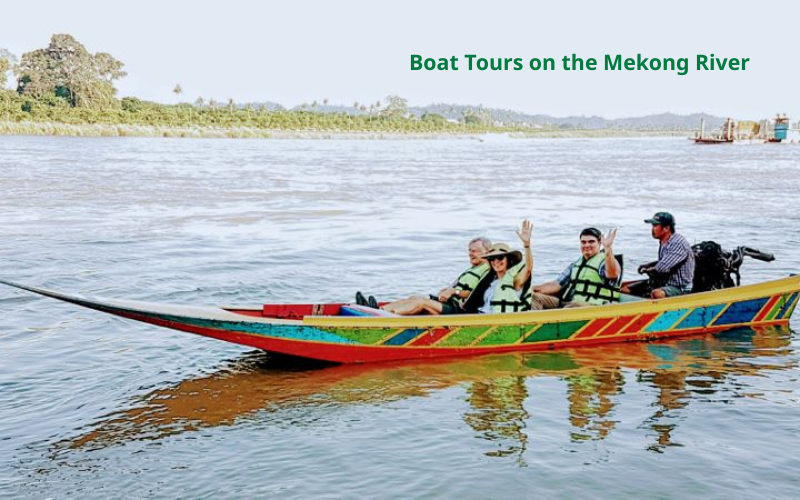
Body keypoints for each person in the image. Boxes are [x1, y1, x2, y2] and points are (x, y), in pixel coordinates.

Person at [379, 237, 493, 315]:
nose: (470, 254)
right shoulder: (475, 268)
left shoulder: (488, 271)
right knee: (415, 298)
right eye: (470, 250)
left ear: (487, 252)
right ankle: (379, 310)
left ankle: (388, 318)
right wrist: (446, 291)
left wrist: (454, 292)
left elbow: (476, 295)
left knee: (421, 302)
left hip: (459, 310)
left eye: (475, 251)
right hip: (449, 303)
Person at [529, 227, 621, 309]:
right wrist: (532, 289)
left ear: (599, 243)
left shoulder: (604, 261)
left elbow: (612, 273)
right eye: (583, 242)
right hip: (569, 303)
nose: (587, 245)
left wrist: (608, 249)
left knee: (574, 305)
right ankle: (531, 324)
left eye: (591, 242)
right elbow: (555, 285)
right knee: (534, 297)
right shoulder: (576, 264)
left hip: (594, 306)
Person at [461, 220, 533, 314]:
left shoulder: (515, 281)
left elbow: (528, 268)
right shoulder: (491, 282)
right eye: (492, 258)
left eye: (500, 257)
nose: (496, 261)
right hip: (480, 317)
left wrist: (527, 245)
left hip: (498, 321)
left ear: (508, 260)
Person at [633, 212, 694, 298]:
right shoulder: (664, 241)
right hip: (665, 283)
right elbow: (665, 261)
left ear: (666, 228)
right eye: (652, 226)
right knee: (626, 289)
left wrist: (647, 270)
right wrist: (648, 265)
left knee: (656, 294)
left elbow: (662, 268)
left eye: (655, 226)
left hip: (680, 288)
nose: (653, 229)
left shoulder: (677, 243)